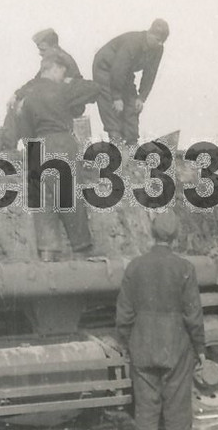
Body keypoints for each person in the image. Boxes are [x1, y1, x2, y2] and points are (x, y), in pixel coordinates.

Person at [115, 212, 206, 430]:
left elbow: (124, 313)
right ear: (175, 237)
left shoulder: (135, 266)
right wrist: (201, 349)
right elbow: (193, 314)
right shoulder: (185, 268)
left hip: (142, 345)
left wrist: (126, 342)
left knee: (145, 411)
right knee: (178, 412)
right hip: (177, 347)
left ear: (152, 234)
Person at [17, 51, 100, 261]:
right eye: (63, 72)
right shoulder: (62, 89)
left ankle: (48, 255)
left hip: (36, 148)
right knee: (70, 199)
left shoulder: (27, 97)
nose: (64, 76)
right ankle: (82, 252)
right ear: (54, 68)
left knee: (43, 205)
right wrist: (71, 82)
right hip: (61, 142)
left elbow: (25, 133)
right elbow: (94, 88)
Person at [92, 18, 169, 146]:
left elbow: (150, 73)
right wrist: (116, 97)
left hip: (124, 70)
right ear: (149, 34)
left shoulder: (158, 49)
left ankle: (132, 142)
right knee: (110, 103)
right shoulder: (133, 42)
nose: (159, 43)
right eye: (157, 39)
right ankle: (116, 140)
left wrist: (141, 97)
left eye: (162, 41)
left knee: (132, 103)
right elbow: (119, 68)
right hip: (105, 66)